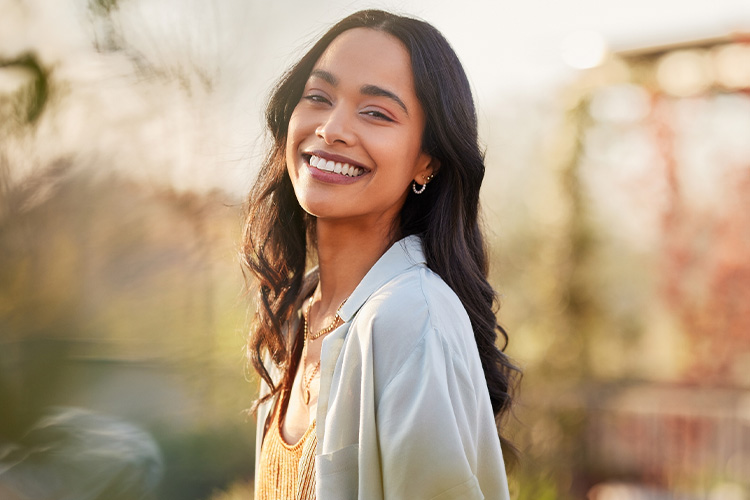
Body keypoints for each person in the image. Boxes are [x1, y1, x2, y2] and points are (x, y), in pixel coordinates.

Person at [242, 9, 519, 500]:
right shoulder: (297, 313)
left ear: (426, 161)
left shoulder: (409, 317)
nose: (331, 129)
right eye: (318, 98)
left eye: (376, 112)